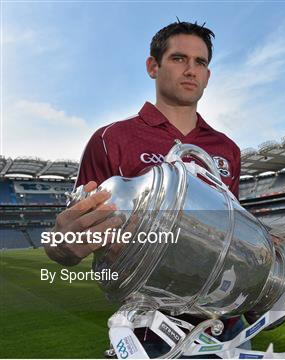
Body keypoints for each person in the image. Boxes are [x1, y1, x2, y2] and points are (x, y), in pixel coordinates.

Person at [44, 20, 245, 355]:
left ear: (208, 76)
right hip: (149, 331)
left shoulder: (227, 148)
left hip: (226, 325)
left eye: (201, 63)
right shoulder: (112, 139)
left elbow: (232, 232)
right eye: (179, 59)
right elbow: (69, 237)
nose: (191, 70)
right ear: (153, 66)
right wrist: (64, 244)